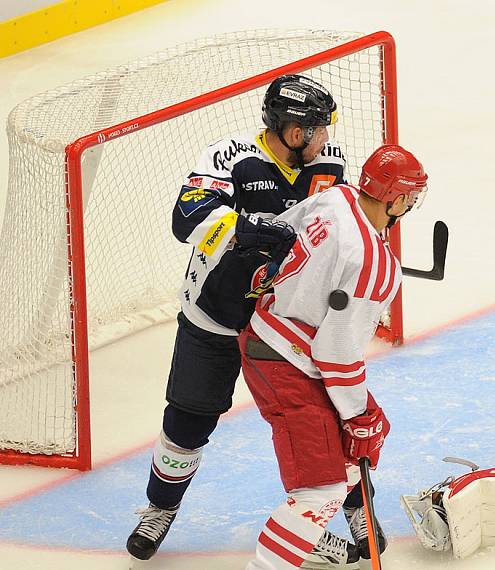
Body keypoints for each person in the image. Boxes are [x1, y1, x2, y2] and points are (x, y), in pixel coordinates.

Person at [126, 74, 348, 561]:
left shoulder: (329, 164)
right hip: (217, 314)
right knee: (188, 419)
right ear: (294, 132)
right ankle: (159, 507)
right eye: (319, 129)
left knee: (320, 422)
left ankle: (322, 521)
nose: (327, 138)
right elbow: (187, 218)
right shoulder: (229, 156)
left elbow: (344, 227)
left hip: (285, 325)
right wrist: (253, 227)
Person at [237, 144, 428, 570]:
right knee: (320, 489)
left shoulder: (336, 197)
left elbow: (279, 234)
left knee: (352, 445)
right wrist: (358, 417)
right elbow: (336, 353)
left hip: (269, 335)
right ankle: (293, 538)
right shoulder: (376, 265)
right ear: (396, 198)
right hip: (287, 362)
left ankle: (305, 533)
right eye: (410, 197)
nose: (411, 205)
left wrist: (361, 417)